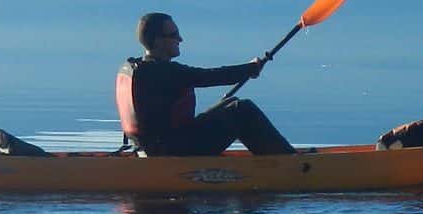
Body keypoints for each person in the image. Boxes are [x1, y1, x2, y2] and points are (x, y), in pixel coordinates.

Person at [116, 12, 294, 156]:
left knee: (231, 103)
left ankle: (270, 158)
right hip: (172, 151)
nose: (180, 39)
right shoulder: (161, 71)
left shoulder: (133, 67)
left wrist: (249, 69)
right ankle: (288, 164)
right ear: (157, 41)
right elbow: (209, 76)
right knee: (242, 110)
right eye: (173, 35)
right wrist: (250, 68)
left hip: (151, 149)